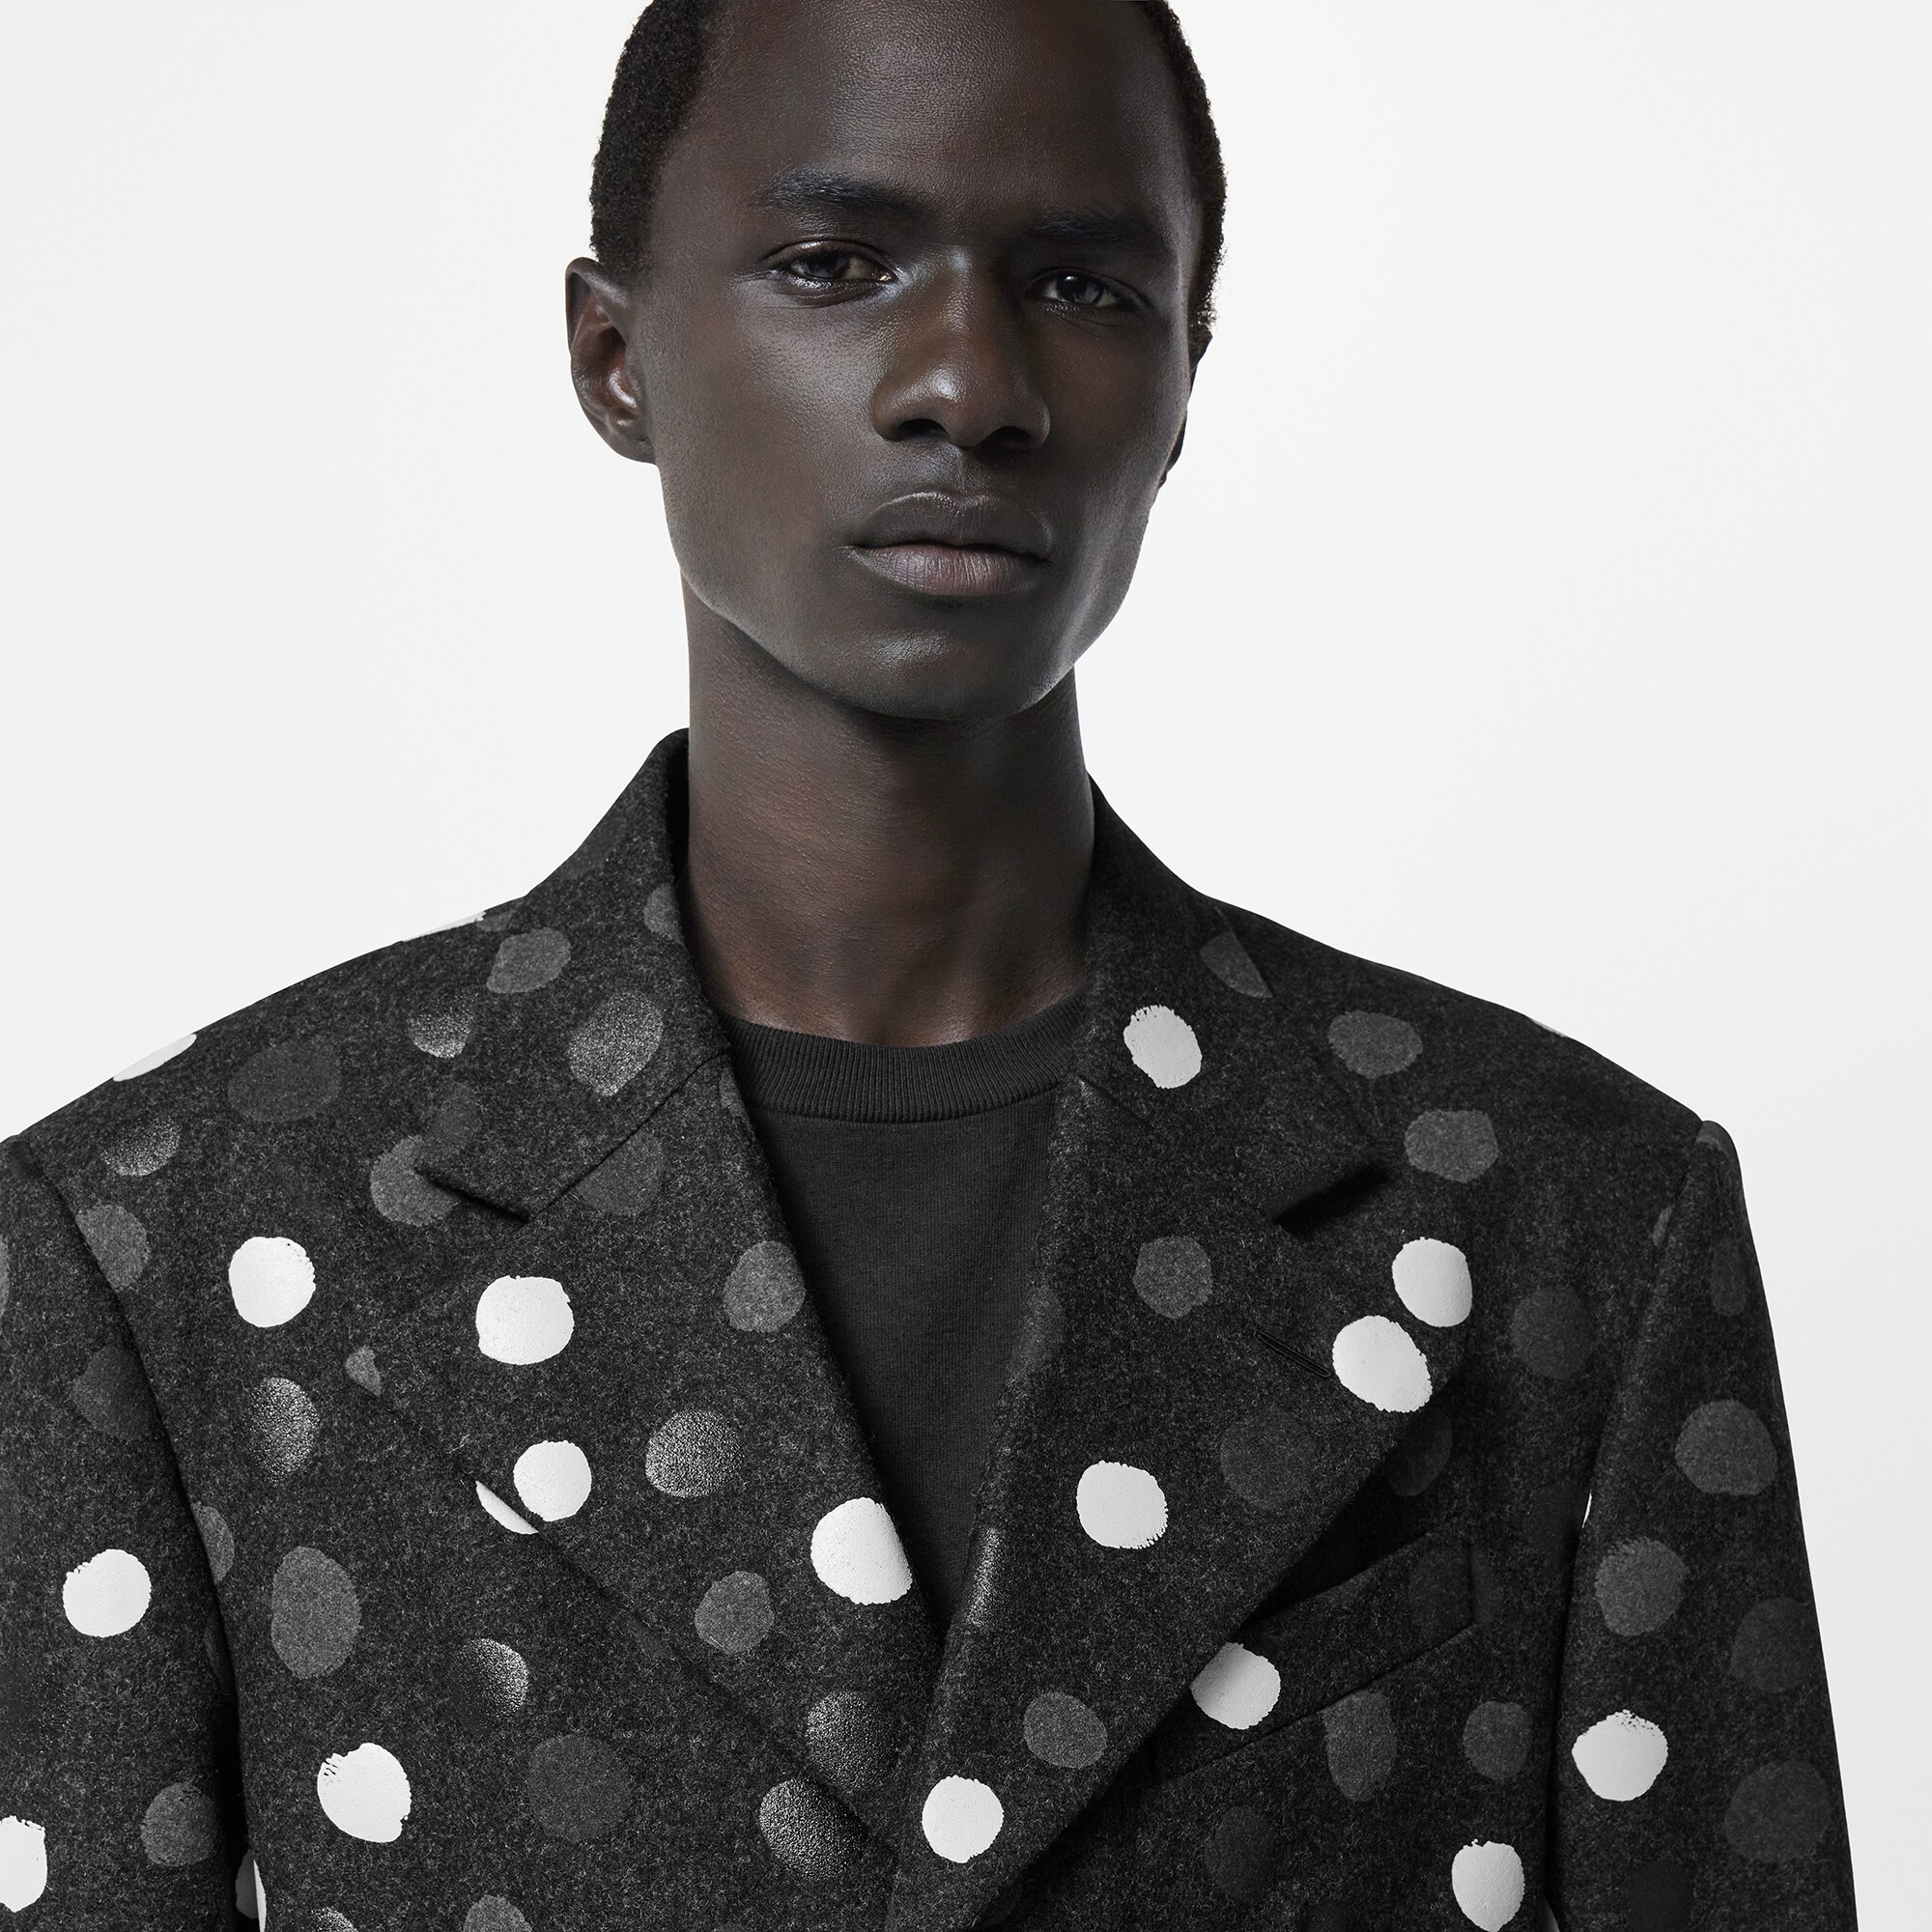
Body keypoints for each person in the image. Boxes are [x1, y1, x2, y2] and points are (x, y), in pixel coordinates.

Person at [0, 1, 1856, 1926]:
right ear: (615, 356)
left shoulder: (1564, 1216)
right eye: (834, 264)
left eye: (1084, 285)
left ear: (1184, 382)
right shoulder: (168, 1243)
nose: (970, 384)